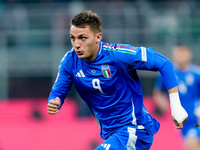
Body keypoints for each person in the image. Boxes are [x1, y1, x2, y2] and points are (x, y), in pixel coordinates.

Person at [47, 10, 188, 150]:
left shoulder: (118, 55)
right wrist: (55, 100)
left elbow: (164, 63)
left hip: (134, 129)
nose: (76, 44)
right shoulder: (69, 61)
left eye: (83, 38)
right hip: (110, 134)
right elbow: (57, 92)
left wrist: (175, 106)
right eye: (73, 38)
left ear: (98, 37)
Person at [153, 44, 200, 150]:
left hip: (196, 119)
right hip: (182, 120)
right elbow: (158, 92)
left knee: (191, 143)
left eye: (182, 53)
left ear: (189, 54)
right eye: (177, 53)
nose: (179, 56)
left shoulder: (196, 74)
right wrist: (162, 104)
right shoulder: (168, 74)